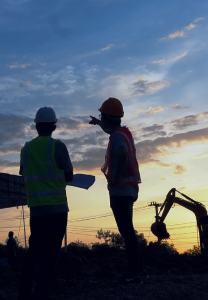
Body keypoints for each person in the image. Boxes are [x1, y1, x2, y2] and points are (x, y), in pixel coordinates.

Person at [18, 107, 74, 300]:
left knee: (34, 250)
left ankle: (24, 292)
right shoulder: (58, 146)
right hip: (57, 208)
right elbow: (69, 175)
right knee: (51, 253)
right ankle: (41, 292)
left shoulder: (25, 149)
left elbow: (24, 173)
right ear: (54, 126)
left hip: (36, 210)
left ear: (36, 126)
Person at [89, 97, 144, 285]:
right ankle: (139, 270)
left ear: (106, 117)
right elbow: (110, 130)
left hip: (120, 190)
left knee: (127, 232)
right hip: (129, 189)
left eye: (101, 117)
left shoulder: (117, 137)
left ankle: (134, 274)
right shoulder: (123, 132)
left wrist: (117, 177)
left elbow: (122, 153)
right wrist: (98, 124)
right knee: (129, 231)